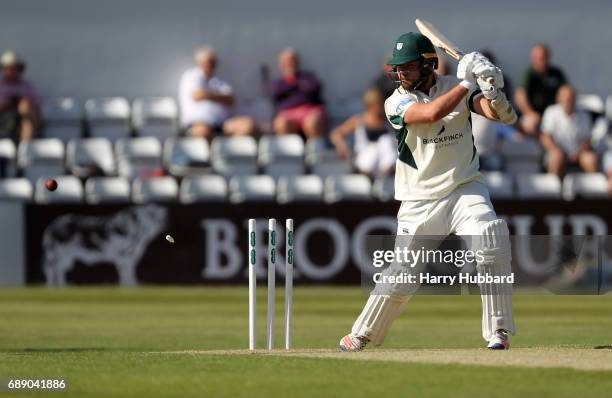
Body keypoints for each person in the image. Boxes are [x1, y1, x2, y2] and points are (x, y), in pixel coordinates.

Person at [339, 33, 518, 352]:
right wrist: (467, 81)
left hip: (464, 187)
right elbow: (430, 114)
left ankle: (498, 331)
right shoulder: (395, 101)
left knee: (491, 240)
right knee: (402, 274)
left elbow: (501, 116)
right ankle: (364, 332)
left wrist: (491, 90)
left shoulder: (456, 86)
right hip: (419, 199)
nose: (401, 74)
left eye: (408, 67)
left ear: (428, 64)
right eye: (398, 69)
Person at [178, 47, 256, 140]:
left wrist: (208, 95)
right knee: (203, 132)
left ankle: (227, 151)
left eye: (214, 62)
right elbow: (198, 95)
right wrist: (219, 96)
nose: (212, 65)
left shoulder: (219, 81)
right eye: (209, 61)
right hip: (198, 123)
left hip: (221, 123)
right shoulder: (191, 76)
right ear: (200, 62)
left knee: (248, 125)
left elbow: (231, 100)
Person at [330, 88, 397, 177]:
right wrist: (341, 144)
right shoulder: (358, 121)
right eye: (378, 104)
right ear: (370, 105)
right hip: (365, 161)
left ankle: (384, 176)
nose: (380, 107)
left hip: (384, 163)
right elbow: (336, 134)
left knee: (385, 141)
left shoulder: (389, 121)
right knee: (373, 150)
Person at [540, 85, 598, 177]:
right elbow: (546, 137)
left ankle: (593, 190)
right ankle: (553, 190)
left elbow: (588, 139)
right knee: (556, 157)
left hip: (579, 154)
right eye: (566, 98)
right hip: (559, 152)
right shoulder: (551, 112)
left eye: (571, 98)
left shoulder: (584, 115)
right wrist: (556, 150)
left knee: (591, 159)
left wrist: (578, 153)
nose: (569, 101)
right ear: (559, 98)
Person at [269, 48, 327, 139]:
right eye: (287, 61)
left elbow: (314, 88)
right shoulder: (278, 83)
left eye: (293, 60)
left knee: (312, 122)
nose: (290, 63)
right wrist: (297, 85)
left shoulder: (308, 77)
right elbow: (276, 93)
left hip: (310, 111)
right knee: (281, 124)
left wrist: (291, 87)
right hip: (289, 114)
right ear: (281, 64)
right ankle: (288, 151)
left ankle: (315, 150)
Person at [514, 44, 567, 136]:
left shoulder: (556, 74)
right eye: (539, 58)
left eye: (543, 57)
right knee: (532, 124)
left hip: (553, 113)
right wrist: (529, 113)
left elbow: (565, 92)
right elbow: (520, 95)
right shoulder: (530, 74)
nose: (541, 61)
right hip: (534, 114)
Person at [0, 51, 41, 142]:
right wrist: (7, 104)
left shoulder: (27, 87)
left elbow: (37, 108)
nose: (11, 72)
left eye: (14, 69)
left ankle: (24, 151)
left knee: (27, 122)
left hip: (20, 122)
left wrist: (24, 106)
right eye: (8, 69)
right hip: (2, 120)